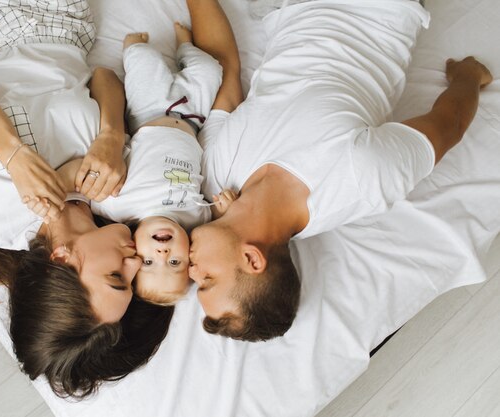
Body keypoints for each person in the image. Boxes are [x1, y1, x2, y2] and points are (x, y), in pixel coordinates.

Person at [187, 0, 493, 341]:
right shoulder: (360, 178)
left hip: (287, 11)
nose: (192, 270)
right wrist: (468, 76)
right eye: (206, 279)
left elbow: (226, 71)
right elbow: (447, 126)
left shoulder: (214, 175)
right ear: (252, 259)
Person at [0, 0, 173, 398]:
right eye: (132, 279)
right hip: (64, 21)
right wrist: (111, 136)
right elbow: (102, 77)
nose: (133, 262)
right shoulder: (110, 186)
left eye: (116, 277)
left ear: (61, 258)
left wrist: (13, 155)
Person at [89, 23, 235, 305]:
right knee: (210, 71)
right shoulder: (197, 221)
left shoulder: (119, 208)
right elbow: (219, 213)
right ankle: (186, 47)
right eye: (175, 263)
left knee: (145, 64)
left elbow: (94, 187)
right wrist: (226, 208)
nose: (163, 255)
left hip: (148, 112)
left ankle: (134, 45)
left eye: (148, 262)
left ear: (132, 250)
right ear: (190, 252)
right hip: (193, 118)